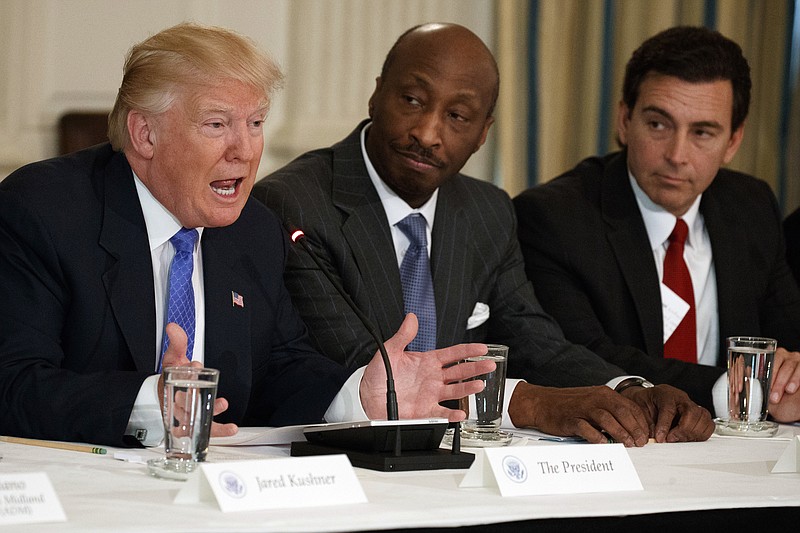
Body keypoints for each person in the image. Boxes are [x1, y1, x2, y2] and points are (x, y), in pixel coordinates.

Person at [0, 22, 497, 448]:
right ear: (145, 134)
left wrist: (359, 394)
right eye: (217, 124)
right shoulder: (46, 210)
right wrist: (146, 404)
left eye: (256, 123)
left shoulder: (254, 230)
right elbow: (13, 384)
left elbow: (281, 367)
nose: (244, 150)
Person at [253, 23, 714, 446]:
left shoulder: (486, 211)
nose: (428, 133)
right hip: (345, 460)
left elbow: (535, 339)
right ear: (376, 96)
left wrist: (630, 390)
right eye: (412, 101)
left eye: (458, 116)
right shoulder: (295, 204)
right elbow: (366, 370)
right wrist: (530, 403)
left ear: (482, 134)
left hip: (456, 461)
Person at [514, 26, 800, 422]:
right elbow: (579, 354)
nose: (676, 155)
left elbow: (789, 341)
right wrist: (736, 390)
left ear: (733, 142)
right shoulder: (555, 218)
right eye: (658, 125)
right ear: (625, 120)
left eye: (702, 132)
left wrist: (790, 376)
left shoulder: (752, 208)